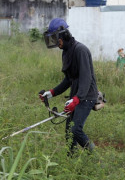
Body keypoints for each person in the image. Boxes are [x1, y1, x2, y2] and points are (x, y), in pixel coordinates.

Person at [39, 18, 98, 156]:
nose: (54, 41)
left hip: (87, 96)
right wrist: (52, 92)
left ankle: (95, 157)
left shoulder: (80, 50)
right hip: (76, 96)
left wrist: (77, 99)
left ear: (63, 35)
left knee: (75, 129)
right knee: (68, 131)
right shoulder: (66, 51)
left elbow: (86, 78)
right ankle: (72, 158)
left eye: (55, 38)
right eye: (51, 38)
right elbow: (69, 80)